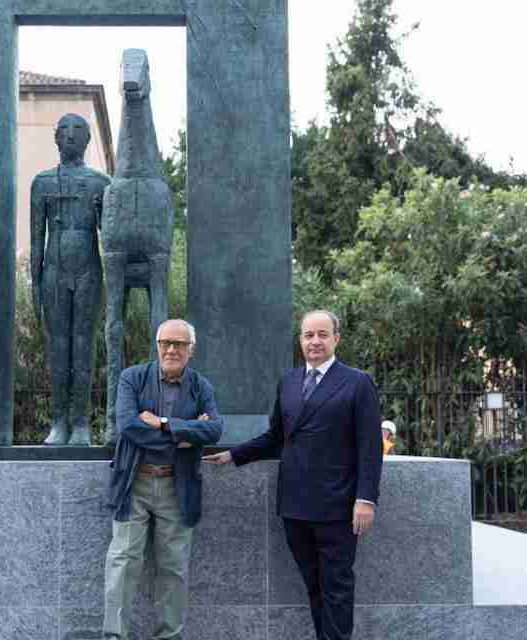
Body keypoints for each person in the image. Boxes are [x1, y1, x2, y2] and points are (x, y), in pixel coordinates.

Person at [204, 310, 382, 640]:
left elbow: (370, 447)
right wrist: (233, 454)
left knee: (337, 587)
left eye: (322, 334)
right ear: (300, 340)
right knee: (313, 584)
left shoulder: (358, 383)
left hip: (338, 506)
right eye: (308, 335)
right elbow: (276, 437)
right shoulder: (288, 382)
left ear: (336, 339)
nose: (314, 341)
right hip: (294, 505)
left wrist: (365, 499)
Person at [103, 319, 223, 640]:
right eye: (166, 342)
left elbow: (214, 430)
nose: (172, 349)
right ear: (156, 345)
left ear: (191, 350)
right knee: (123, 563)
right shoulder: (132, 378)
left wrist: (165, 423)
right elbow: (127, 425)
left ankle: (169, 636)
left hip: (177, 485)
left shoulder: (201, 387)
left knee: (173, 568)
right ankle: (114, 635)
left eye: (179, 344)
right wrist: (185, 434)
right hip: (135, 483)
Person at [30, 113, 111, 445]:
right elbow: (36, 239)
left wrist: (103, 211)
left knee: (83, 346)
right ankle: (58, 422)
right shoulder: (43, 183)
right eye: (65, 130)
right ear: (56, 138)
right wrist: (34, 284)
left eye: (78, 130)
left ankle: (80, 423)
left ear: (88, 139)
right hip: (54, 272)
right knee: (58, 348)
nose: (71, 136)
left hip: (89, 271)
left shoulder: (100, 184)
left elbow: (112, 237)